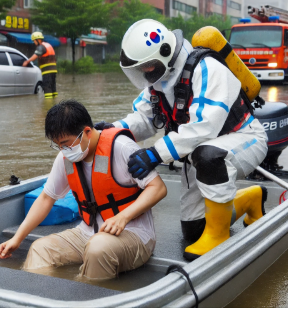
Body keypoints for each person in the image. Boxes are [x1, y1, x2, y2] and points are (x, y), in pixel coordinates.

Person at [97, 19, 268, 261]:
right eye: (142, 67)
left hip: (243, 137)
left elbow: (204, 127)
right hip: (197, 150)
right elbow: (144, 119)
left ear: (165, 52)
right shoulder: (159, 80)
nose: (146, 71)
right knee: (193, 230)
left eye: (149, 65)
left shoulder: (207, 69)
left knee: (209, 156)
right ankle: (250, 198)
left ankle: (219, 235)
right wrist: (112, 130)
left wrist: (154, 154)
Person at [0, 99, 167, 280]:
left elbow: (157, 188)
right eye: (58, 145)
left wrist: (122, 217)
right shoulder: (66, 156)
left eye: (66, 143)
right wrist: (17, 239)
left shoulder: (122, 147)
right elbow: (46, 198)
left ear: (87, 132)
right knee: (40, 249)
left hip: (134, 234)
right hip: (86, 233)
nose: (64, 150)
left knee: (98, 248)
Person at [23, 32, 58, 99]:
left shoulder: (41, 46)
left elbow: (36, 55)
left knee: (47, 88)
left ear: (38, 40)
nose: (34, 42)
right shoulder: (48, 45)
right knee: (53, 88)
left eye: (34, 41)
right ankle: (55, 103)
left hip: (47, 71)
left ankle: (48, 106)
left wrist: (27, 61)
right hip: (53, 70)